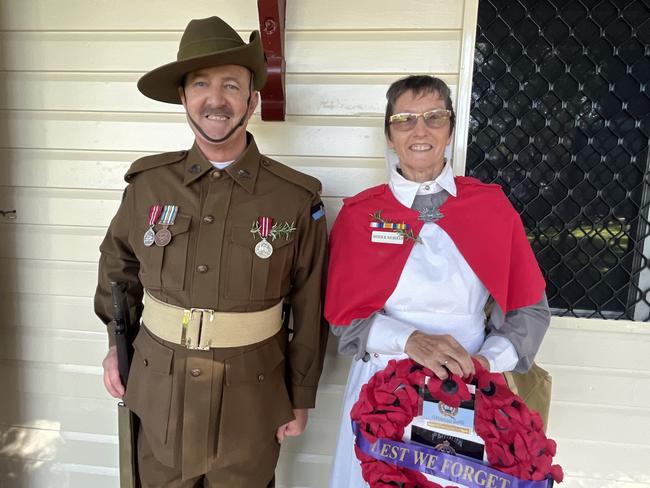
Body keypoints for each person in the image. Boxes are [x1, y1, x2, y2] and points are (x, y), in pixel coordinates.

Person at [94, 16, 328, 488]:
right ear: (184, 97)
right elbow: (118, 266)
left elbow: (310, 302)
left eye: (231, 85)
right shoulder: (148, 184)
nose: (215, 99)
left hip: (253, 398)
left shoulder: (295, 199)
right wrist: (113, 347)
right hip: (159, 389)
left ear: (252, 100)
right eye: (200, 84)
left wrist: (300, 394)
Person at [324, 75, 551, 487]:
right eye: (405, 119)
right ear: (389, 136)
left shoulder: (490, 208)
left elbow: (528, 310)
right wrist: (410, 339)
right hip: (381, 388)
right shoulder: (361, 215)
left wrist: (485, 363)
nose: (420, 130)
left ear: (450, 130)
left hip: (468, 386)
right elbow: (344, 320)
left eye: (434, 116)